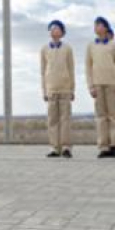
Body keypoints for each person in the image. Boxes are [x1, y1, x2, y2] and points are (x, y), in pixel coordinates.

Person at [85, 16, 115, 159]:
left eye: (100, 25)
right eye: (95, 25)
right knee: (101, 117)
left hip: (111, 84)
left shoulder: (113, 45)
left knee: (114, 117)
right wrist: (90, 86)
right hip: (98, 84)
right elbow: (88, 68)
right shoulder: (91, 46)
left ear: (106, 28)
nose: (97, 27)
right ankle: (103, 146)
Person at [41, 19, 75, 159]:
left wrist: (72, 89)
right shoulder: (44, 49)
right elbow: (43, 71)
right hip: (51, 88)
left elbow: (71, 69)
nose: (54, 31)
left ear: (62, 32)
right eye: (51, 28)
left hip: (65, 88)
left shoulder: (67, 48)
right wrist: (44, 91)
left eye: (57, 28)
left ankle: (66, 147)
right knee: (52, 120)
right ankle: (54, 147)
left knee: (65, 119)